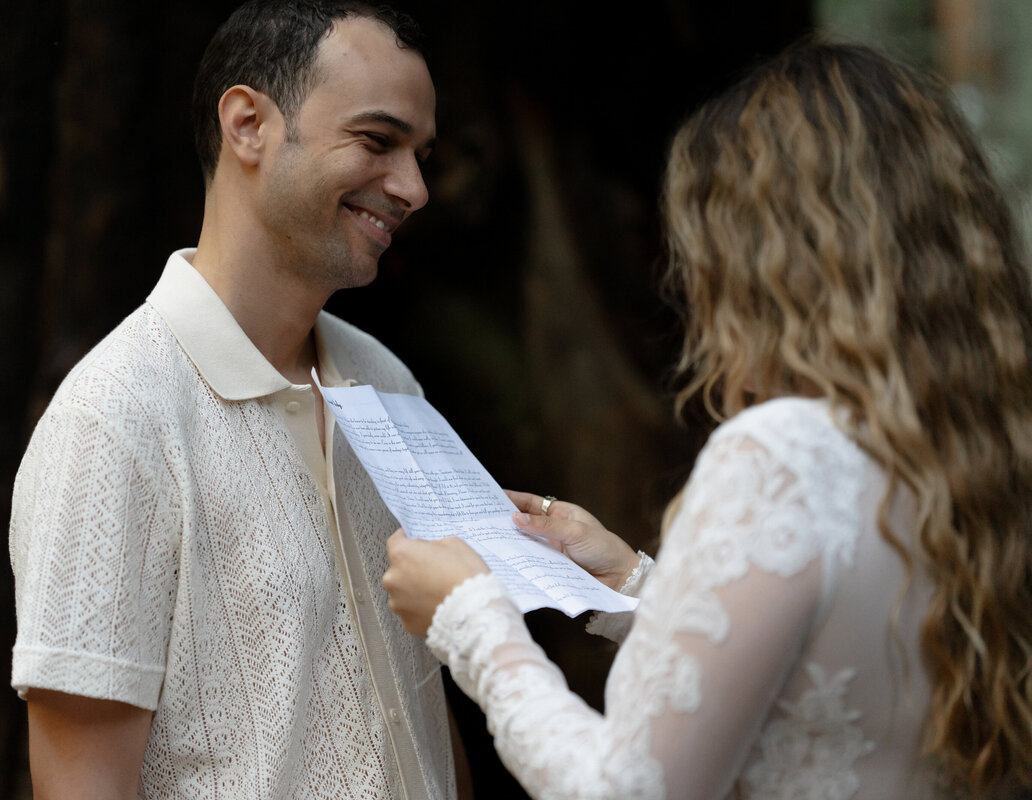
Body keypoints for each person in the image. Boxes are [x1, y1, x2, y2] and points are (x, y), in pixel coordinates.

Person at [382, 40, 1032, 799]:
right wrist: (627, 580)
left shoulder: (783, 453)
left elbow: (626, 788)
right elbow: (823, 669)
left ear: (770, 264)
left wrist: (471, 618)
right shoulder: (975, 441)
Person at [8, 2, 461, 797]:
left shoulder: (389, 384)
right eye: (378, 141)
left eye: (420, 154)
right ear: (247, 124)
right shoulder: (112, 422)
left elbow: (422, 706)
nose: (414, 188)